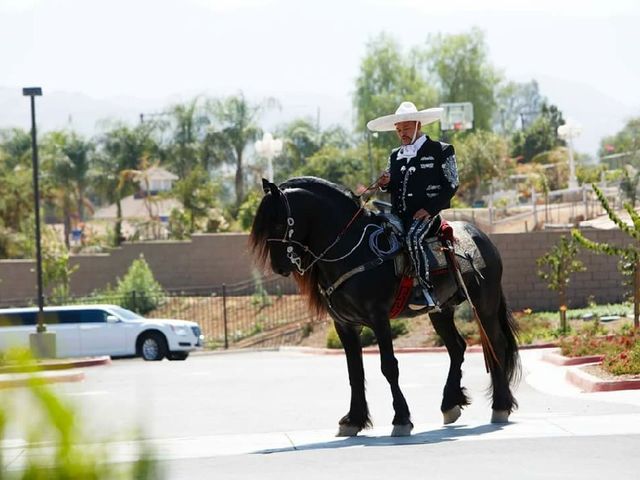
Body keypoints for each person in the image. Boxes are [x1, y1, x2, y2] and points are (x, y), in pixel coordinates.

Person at [367, 101, 459, 308]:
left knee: (412, 238)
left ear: (418, 125)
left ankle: (426, 289)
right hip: (399, 214)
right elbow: (393, 185)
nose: (402, 133)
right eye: (398, 130)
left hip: (427, 214)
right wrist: (385, 184)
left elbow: (452, 183)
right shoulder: (395, 155)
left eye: (406, 128)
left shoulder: (440, 150)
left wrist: (429, 209)